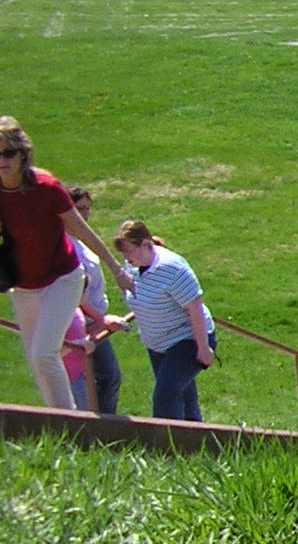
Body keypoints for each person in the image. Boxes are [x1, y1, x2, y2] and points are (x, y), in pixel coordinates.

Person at [1, 118, 130, 411]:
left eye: (7, 153)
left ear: (23, 154)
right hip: (24, 285)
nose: (2, 161)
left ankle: (68, 425)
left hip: (63, 279)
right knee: (38, 359)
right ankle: (58, 419)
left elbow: (85, 233)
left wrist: (118, 271)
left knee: (44, 353)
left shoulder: (47, 188)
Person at [110, 219, 215, 423]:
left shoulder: (173, 269)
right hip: (157, 343)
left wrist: (203, 348)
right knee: (183, 394)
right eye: (123, 254)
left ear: (146, 245)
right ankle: (195, 443)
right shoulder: (132, 266)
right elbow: (132, 290)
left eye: (130, 251)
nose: (127, 258)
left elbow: (195, 307)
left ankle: (166, 447)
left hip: (186, 340)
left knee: (166, 395)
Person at [67, 185, 126, 416]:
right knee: (97, 377)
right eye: (78, 209)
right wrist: (101, 319)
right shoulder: (67, 246)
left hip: (94, 320)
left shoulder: (82, 239)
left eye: (87, 209)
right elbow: (74, 294)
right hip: (84, 323)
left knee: (107, 377)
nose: (84, 215)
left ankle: (103, 423)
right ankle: (97, 425)